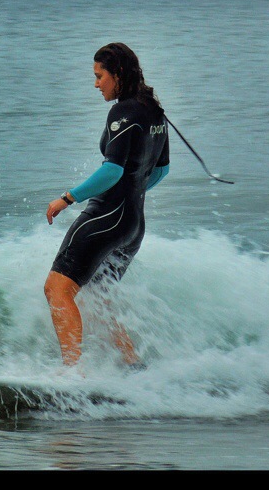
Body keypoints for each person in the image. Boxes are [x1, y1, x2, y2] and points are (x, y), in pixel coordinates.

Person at [44, 42, 169, 369]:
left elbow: (112, 171)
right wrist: (131, 192)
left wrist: (67, 198)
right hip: (133, 225)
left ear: (119, 74)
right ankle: (132, 366)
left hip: (107, 219)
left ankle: (72, 377)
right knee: (97, 297)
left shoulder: (123, 111)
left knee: (57, 289)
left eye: (100, 76)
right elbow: (161, 171)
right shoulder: (155, 111)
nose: (96, 84)